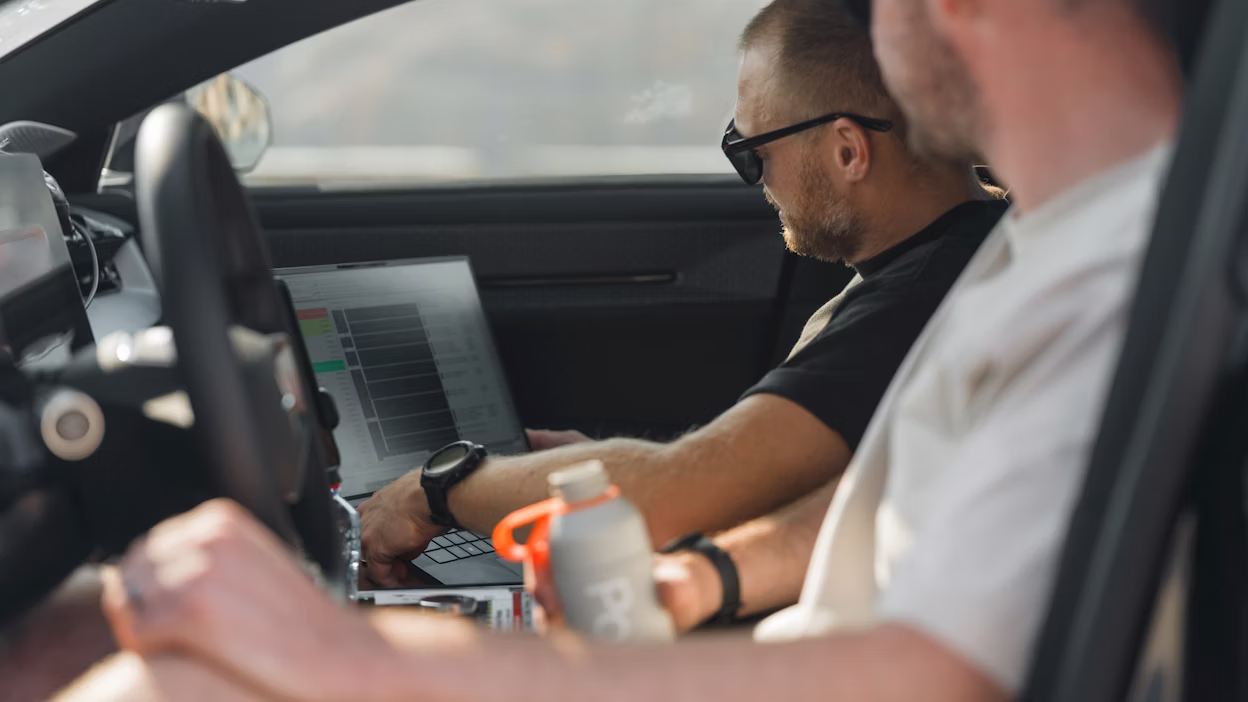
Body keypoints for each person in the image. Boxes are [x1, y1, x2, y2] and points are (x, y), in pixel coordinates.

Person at [50, 0, 1186, 697]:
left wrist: (353, 664)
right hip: (780, 638)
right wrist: (714, 573)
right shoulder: (1054, 244)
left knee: (136, 671)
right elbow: (911, 505)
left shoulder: (1115, 280)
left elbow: (931, 678)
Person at [360, 0, 1004, 600]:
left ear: (847, 150)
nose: (756, 180)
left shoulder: (923, 298)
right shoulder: (955, 256)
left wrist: (439, 488)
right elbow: (744, 482)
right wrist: (593, 465)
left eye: (751, 153)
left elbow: (675, 494)